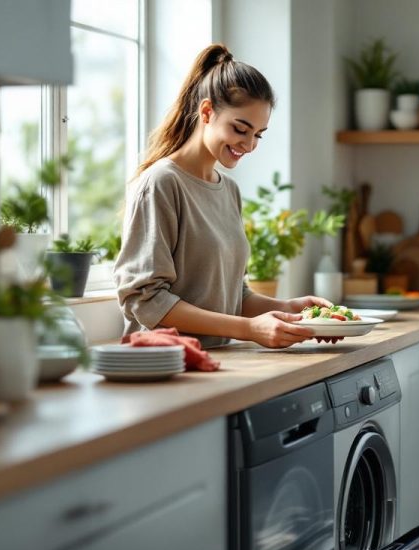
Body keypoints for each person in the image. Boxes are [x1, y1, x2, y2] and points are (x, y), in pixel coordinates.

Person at [114, 43, 333, 349]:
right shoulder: (162, 183)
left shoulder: (228, 190)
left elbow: (233, 296)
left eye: (258, 134)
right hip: (163, 367)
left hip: (219, 361)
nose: (249, 144)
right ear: (207, 112)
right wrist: (249, 330)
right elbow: (144, 299)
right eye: (240, 128)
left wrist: (291, 309)